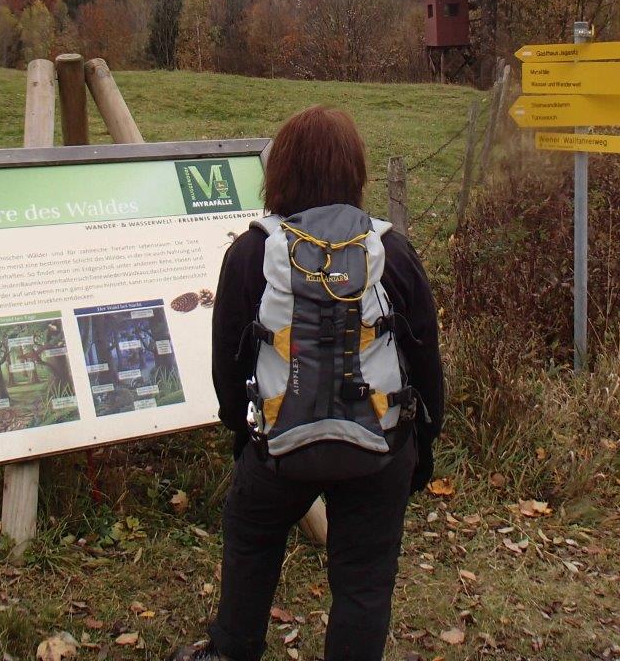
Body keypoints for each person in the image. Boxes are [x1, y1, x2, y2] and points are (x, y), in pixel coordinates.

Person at [170, 106, 444, 661]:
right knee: (364, 574)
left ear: (281, 173)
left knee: (250, 537)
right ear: (355, 173)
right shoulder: (392, 251)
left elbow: (228, 363)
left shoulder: (251, 252)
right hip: (381, 447)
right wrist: (421, 448)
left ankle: (231, 652)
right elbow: (427, 362)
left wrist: (242, 435)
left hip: (280, 449)